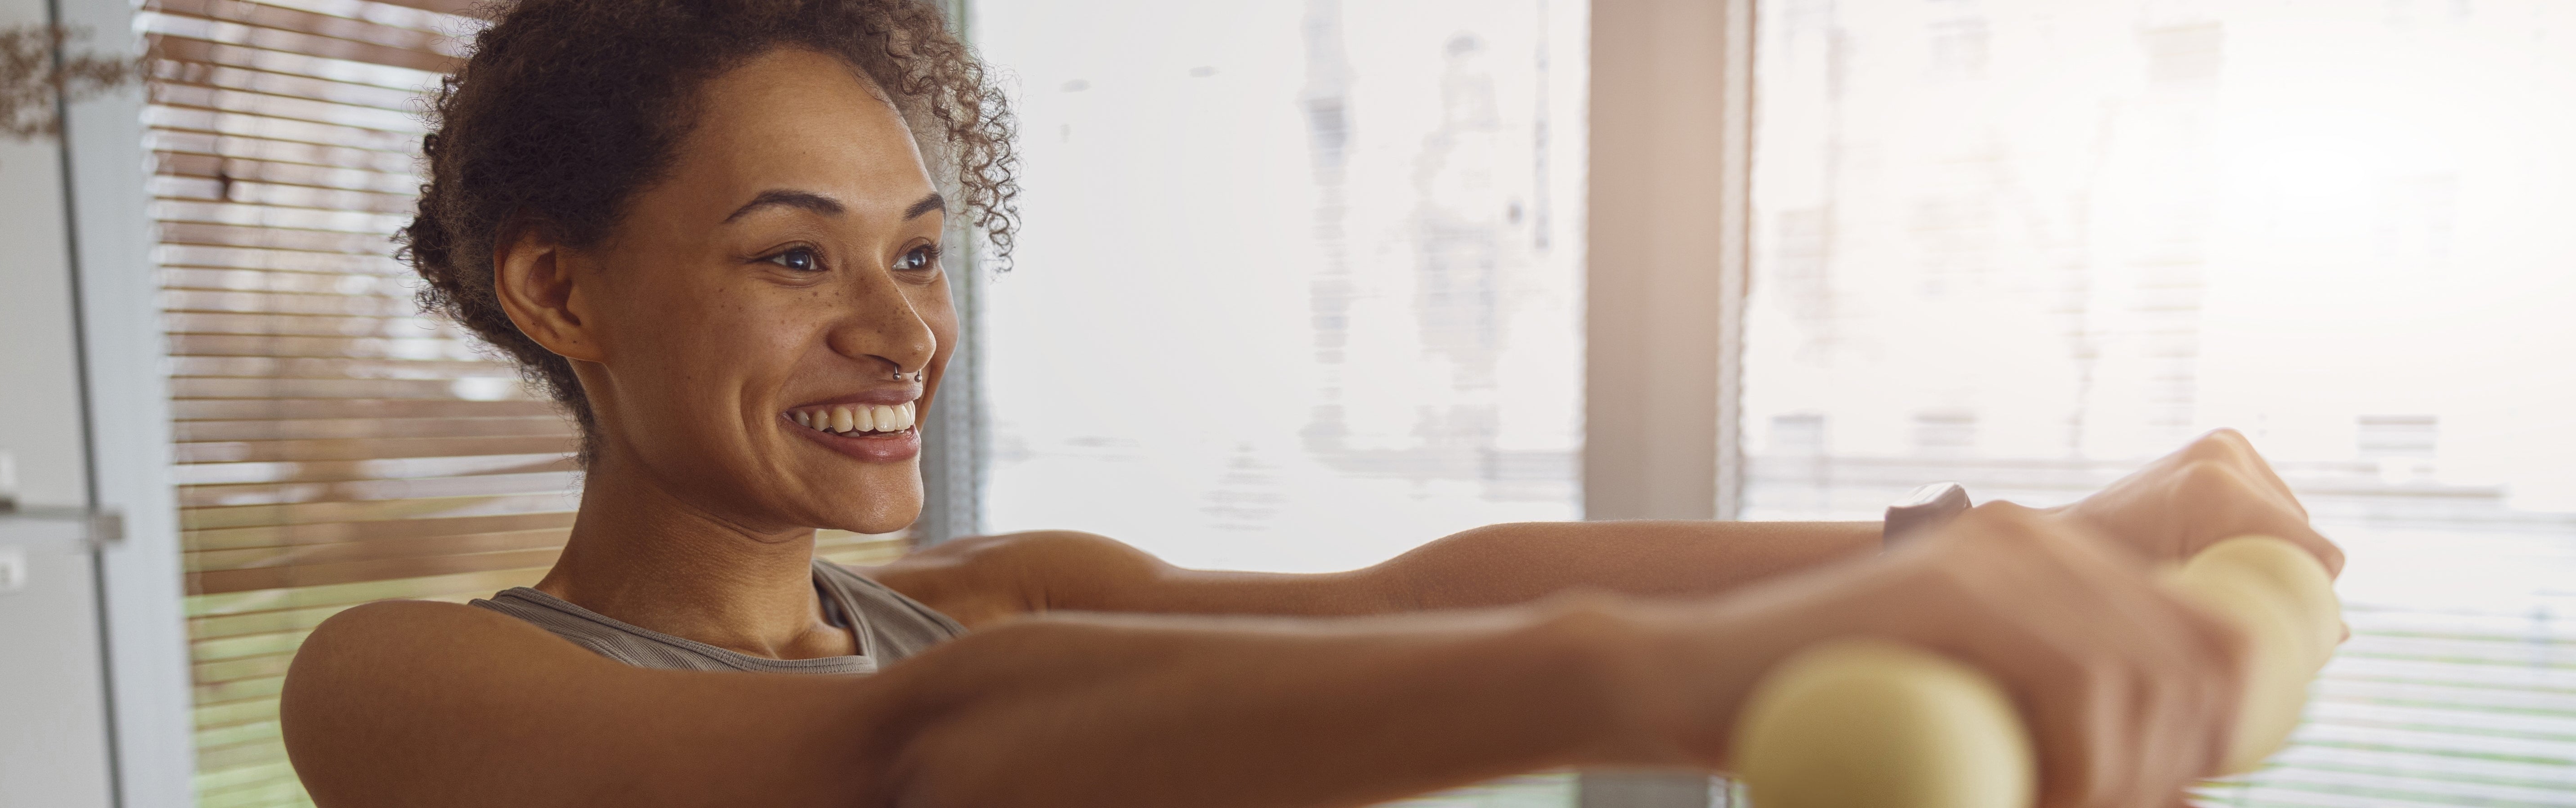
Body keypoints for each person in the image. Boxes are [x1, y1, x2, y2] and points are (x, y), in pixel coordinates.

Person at [279, 2, 2345, 806]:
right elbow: (912, 760)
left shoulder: (1000, 600)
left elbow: (1425, 592)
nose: (901, 334)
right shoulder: (402, 688)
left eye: (920, 255)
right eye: (797, 259)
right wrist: (1670, 674)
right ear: (561, 289)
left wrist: (2037, 544)